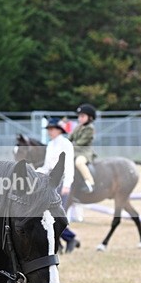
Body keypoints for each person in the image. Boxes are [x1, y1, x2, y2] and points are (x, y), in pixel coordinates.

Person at [38, 116, 79, 253]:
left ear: (58, 130)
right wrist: (35, 171)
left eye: (52, 129)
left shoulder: (66, 144)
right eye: (49, 129)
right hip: (51, 183)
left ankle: (70, 238)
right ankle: (62, 242)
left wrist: (67, 184)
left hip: (62, 181)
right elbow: (46, 167)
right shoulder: (50, 145)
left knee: (56, 215)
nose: (50, 132)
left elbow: (68, 165)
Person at [69, 103, 96, 193]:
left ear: (90, 117)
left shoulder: (90, 128)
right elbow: (70, 138)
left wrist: (69, 146)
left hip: (84, 152)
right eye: (79, 116)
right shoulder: (77, 127)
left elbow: (81, 142)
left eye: (82, 116)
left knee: (79, 163)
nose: (79, 118)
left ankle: (90, 183)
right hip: (74, 151)